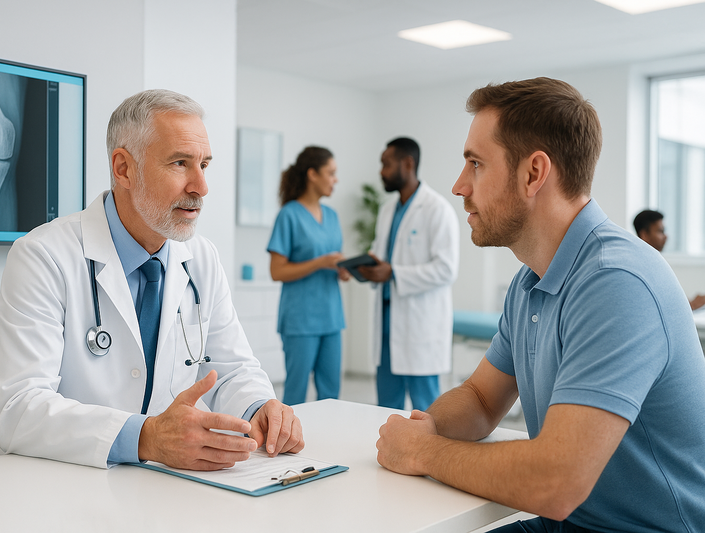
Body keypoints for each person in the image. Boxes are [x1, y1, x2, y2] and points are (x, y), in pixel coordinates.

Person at [376, 77, 705, 531]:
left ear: (533, 173)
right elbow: (480, 398)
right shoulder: (531, 281)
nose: (458, 186)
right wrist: (424, 428)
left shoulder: (616, 281)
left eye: (475, 164)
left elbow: (555, 482)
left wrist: (422, 452)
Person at [0, 89, 304, 470]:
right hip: (33, 473)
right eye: (180, 163)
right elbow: (19, 410)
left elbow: (233, 369)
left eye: (204, 165)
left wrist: (261, 406)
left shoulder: (201, 259)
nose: (200, 187)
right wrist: (146, 436)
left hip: (144, 479)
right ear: (124, 168)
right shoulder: (43, 255)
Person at [357, 137, 459, 412]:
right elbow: (381, 254)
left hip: (420, 327)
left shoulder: (438, 210)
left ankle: (431, 456)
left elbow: (446, 269)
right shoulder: (388, 208)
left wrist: (393, 273)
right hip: (388, 323)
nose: (381, 171)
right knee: (385, 409)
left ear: (408, 163)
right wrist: (366, 267)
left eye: (386, 164)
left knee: (426, 410)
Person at [267, 146, 349, 405]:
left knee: (331, 391)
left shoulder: (333, 216)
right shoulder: (289, 215)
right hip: (300, 319)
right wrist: (320, 262)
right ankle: (285, 443)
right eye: (331, 173)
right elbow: (276, 271)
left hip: (331, 316)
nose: (335, 179)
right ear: (312, 174)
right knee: (296, 391)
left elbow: (333, 260)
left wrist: (345, 269)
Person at [633, 209, 705, 310]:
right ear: (644, 234)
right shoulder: (642, 266)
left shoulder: (654, 262)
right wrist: (691, 305)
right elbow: (658, 306)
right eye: (660, 231)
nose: (666, 236)